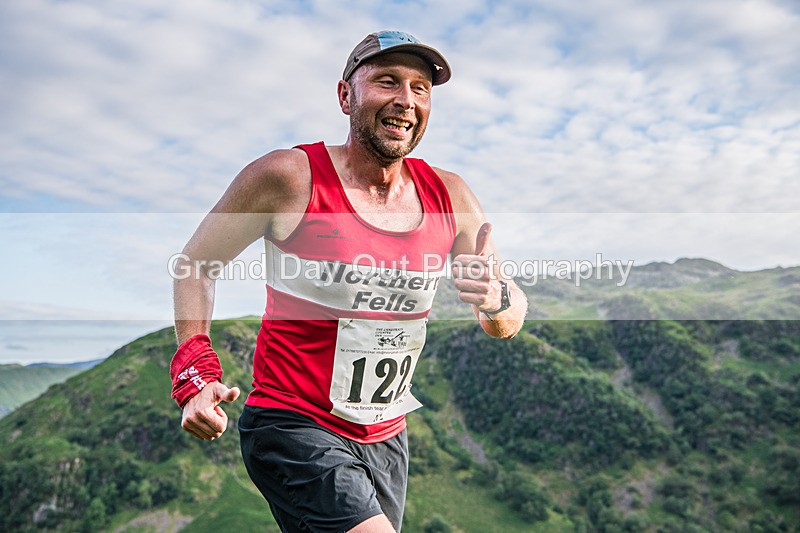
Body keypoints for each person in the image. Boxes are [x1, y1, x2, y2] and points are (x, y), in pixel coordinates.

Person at [170, 30, 527, 533]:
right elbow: (196, 264)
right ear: (345, 96)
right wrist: (194, 374)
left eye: (421, 89)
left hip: (386, 436)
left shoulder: (451, 195)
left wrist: (497, 299)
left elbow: (506, 322)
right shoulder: (289, 177)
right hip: (293, 425)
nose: (405, 100)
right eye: (387, 81)